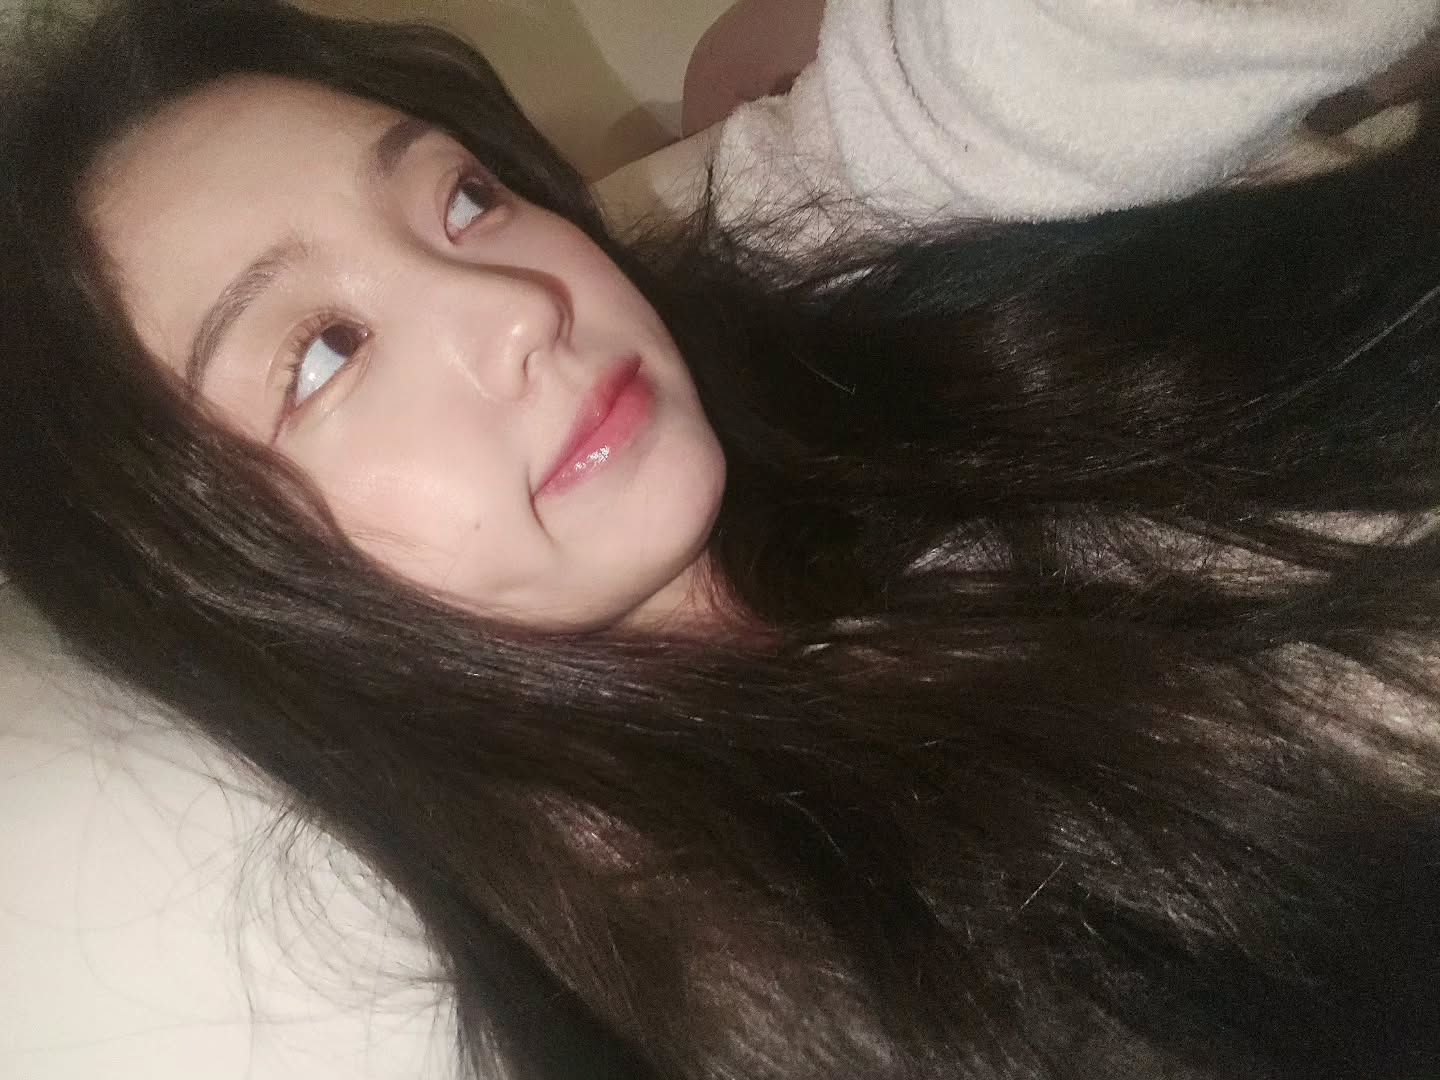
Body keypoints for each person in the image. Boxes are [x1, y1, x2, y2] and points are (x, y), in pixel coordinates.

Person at [4, 1, 1440, 1079]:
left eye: (462, 198)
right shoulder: (757, 979)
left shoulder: (792, 303)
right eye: (323, 353)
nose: (517, 306)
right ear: (210, 579)